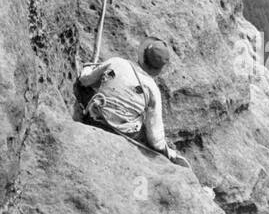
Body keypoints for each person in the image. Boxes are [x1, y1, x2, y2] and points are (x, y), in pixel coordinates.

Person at [77, 38, 190, 167]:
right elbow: (155, 140)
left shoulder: (116, 62)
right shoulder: (152, 89)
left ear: (142, 55)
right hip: (123, 134)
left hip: (94, 118)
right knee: (144, 126)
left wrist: (87, 67)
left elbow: (85, 80)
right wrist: (168, 152)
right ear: (158, 68)